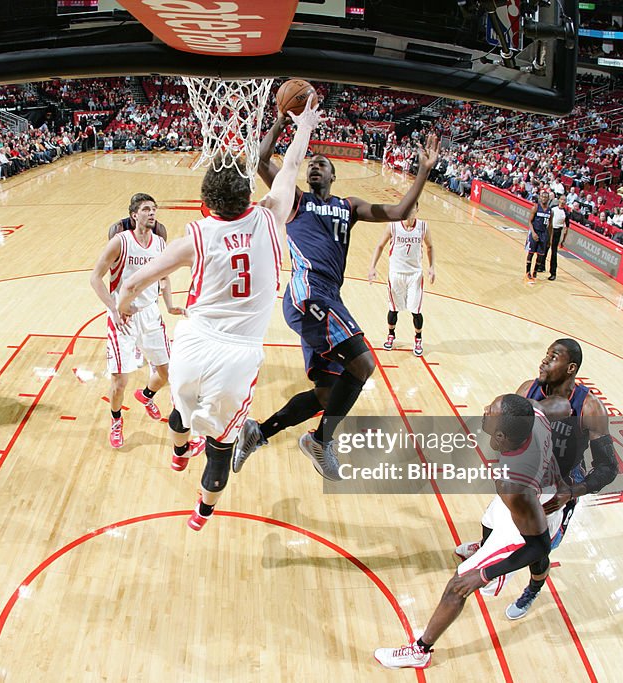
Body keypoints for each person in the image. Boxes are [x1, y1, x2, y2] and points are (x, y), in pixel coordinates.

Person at [115, 97, 321, 531]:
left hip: (193, 341)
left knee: (180, 407)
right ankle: (202, 513)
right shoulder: (271, 218)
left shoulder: (196, 235)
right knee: (222, 446)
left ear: (205, 199)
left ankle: (176, 454)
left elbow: (135, 282)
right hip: (237, 355)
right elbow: (289, 170)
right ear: (249, 194)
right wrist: (302, 127)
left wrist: (123, 305)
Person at [230, 115, 439, 481]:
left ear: (333, 176)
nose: (314, 166)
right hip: (308, 291)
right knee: (364, 365)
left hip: (327, 298)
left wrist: (423, 172)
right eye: (311, 163)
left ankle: (258, 432)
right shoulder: (295, 200)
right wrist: (281, 119)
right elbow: (263, 160)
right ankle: (321, 442)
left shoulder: (349, 205)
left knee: (328, 395)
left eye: (322, 164)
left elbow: (399, 212)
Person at [375, 394, 564, 669]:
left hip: (533, 519)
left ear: (500, 437)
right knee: (488, 519)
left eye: (490, 412)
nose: (485, 410)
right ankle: (486, 551)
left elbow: (539, 545)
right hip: (540, 493)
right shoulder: (535, 416)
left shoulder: (514, 485)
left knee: (458, 585)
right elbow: (560, 405)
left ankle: (420, 650)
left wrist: (484, 574)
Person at [455, 339, 616, 620]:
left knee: (537, 551)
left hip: (557, 487)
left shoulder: (589, 408)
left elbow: (608, 467)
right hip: (523, 475)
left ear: (571, 367)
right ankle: (487, 549)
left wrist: (573, 492)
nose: (544, 361)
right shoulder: (526, 389)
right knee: (489, 521)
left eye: (553, 357)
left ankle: (533, 587)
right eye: (545, 355)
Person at [89, 194, 181, 448]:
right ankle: (116, 421)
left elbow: (164, 278)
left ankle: (147, 395)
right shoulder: (120, 242)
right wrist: (114, 308)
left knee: (166, 373)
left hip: (151, 315)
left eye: (154, 209)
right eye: (146, 209)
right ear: (134, 215)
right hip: (123, 318)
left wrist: (170, 305)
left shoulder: (160, 244)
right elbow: (95, 278)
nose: (152, 213)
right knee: (119, 382)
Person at [366, 201, 435, 356]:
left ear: (417, 209)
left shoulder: (423, 227)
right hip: (396, 273)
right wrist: (372, 267)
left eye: (413, 207)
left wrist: (431, 267)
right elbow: (380, 246)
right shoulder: (393, 226)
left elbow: (430, 247)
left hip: (415, 274)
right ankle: (391, 335)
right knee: (393, 308)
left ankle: (418, 339)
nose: (410, 210)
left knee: (416, 310)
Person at [526, 190, 551, 283]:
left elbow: (550, 225)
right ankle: (527, 272)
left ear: (548, 199)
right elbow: (529, 221)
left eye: (546, 197)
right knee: (531, 253)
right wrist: (533, 233)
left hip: (544, 233)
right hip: (535, 231)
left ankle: (535, 272)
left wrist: (549, 238)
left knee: (540, 255)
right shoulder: (535, 207)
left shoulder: (550, 211)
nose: (544, 198)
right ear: (540, 198)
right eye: (542, 197)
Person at [545, 196, 569, 281]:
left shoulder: (566, 213)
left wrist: (563, 240)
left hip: (557, 232)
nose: (563, 201)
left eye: (564, 200)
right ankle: (541, 266)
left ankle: (553, 273)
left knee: (554, 252)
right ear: (559, 200)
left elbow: (566, 228)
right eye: (562, 199)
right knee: (544, 248)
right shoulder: (553, 208)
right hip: (549, 230)